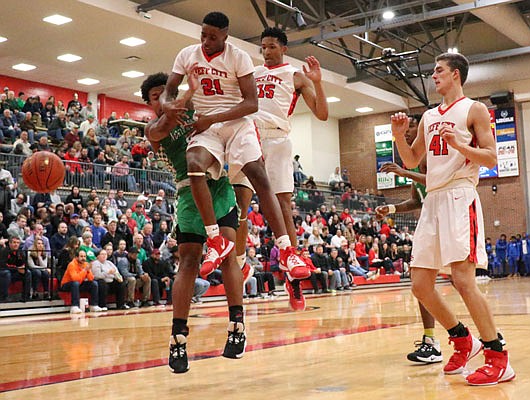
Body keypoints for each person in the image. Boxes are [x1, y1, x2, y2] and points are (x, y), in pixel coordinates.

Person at [390, 52, 514, 386]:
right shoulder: (430, 116)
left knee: (463, 279)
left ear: (456, 74)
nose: (434, 76)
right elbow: (413, 159)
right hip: (433, 199)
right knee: (419, 285)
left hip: (461, 196)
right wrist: (399, 135)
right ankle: (462, 339)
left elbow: (489, 158)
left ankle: (498, 355)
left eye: (439, 70)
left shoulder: (474, 110)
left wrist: (461, 145)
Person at [159, 12, 309, 285]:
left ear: (225, 37)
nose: (206, 41)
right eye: (203, 35)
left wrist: (212, 117)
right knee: (194, 164)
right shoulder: (187, 54)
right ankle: (215, 239)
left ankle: (287, 250)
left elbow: (251, 103)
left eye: (212, 37)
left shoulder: (239, 57)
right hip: (207, 126)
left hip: (237, 122)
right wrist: (169, 104)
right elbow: (169, 91)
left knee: (258, 174)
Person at [142, 71, 247, 373]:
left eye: (167, 93)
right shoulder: (153, 127)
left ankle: (237, 325)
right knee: (188, 262)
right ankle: (178, 337)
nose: (164, 99)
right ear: (151, 104)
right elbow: (164, 125)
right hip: (189, 193)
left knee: (227, 255)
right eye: (156, 97)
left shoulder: (195, 108)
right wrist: (184, 90)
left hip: (219, 188)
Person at [60, 249, 104, 313]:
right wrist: (85, 270)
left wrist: (88, 270)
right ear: (76, 257)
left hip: (79, 283)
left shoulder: (86, 264)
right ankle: (74, 306)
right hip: (66, 284)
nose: (83, 258)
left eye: (84, 256)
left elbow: (91, 278)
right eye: (81, 256)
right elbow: (75, 279)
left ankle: (93, 305)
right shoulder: (72, 265)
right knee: (75, 284)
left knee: (94, 283)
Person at [0, 236, 31, 302]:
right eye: (14, 242)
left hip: (14, 272)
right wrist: (16, 268)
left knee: (27, 272)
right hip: (3, 273)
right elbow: (3, 265)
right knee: (6, 273)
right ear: (10, 243)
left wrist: (23, 268)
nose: (16, 244)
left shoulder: (20, 252)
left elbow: (25, 264)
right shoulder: (4, 251)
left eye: (18, 243)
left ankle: (26, 297)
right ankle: (3, 298)